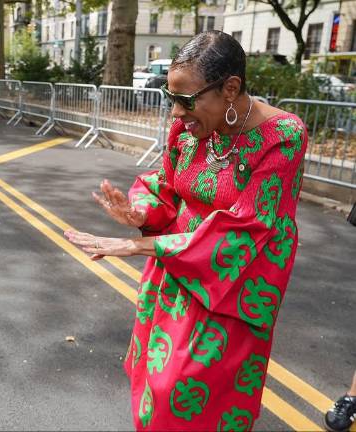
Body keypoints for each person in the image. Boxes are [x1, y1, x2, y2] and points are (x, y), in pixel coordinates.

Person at [65, 31, 307, 430]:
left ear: (230, 88)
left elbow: (247, 228)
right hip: (173, 278)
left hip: (233, 292)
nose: (176, 113)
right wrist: (139, 213)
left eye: (186, 100)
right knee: (154, 394)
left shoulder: (283, 136)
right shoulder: (189, 131)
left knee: (187, 401)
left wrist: (138, 245)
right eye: (171, 98)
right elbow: (167, 185)